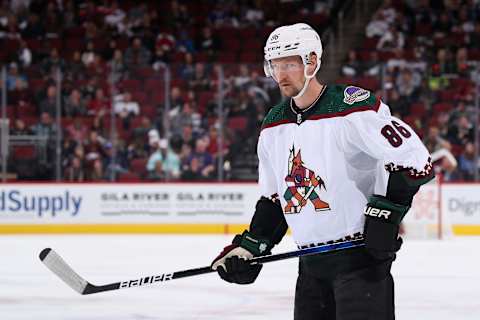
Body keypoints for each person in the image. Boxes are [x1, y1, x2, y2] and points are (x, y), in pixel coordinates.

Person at [211, 23, 434, 319]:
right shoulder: (273, 125)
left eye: (289, 64)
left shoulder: (351, 107)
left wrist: (386, 215)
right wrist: (251, 246)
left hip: (360, 263)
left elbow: (414, 158)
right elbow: (276, 199)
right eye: (274, 65)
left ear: (312, 62)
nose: (280, 75)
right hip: (310, 268)